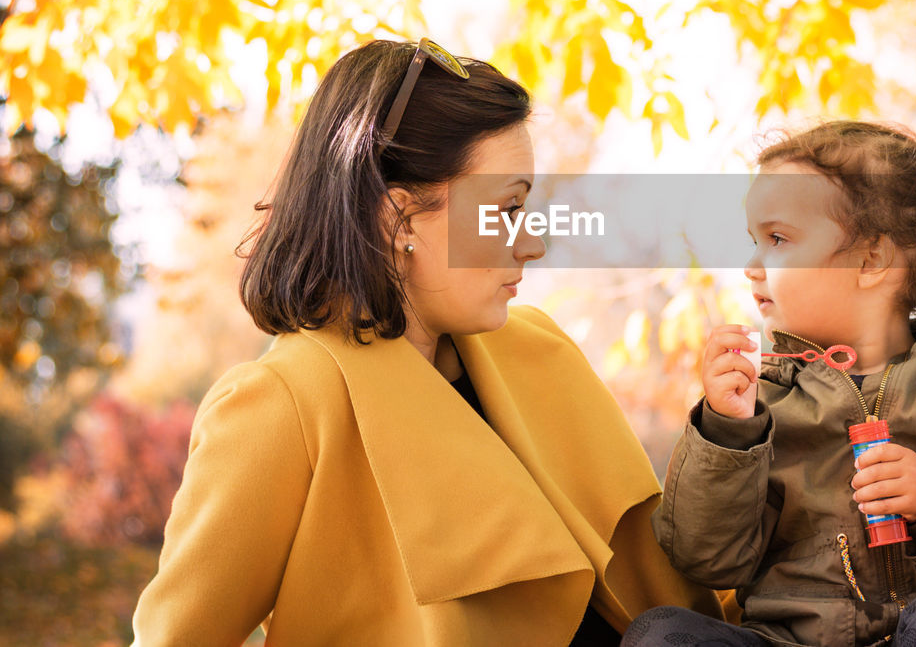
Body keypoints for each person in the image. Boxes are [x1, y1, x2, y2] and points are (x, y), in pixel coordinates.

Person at [132, 38, 721, 645]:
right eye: (508, 210)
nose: (532, 243)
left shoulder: (540, 349)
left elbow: (677, 579)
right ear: (400, 221)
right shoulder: (283, 404)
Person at [626, 121, 916, 647]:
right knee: (659, 635)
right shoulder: (760, 401)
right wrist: (726, 435)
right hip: (788, 641)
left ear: (871, 260)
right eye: (754, 241)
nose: (751, 266)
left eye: (777, 239)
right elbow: (704, 559)